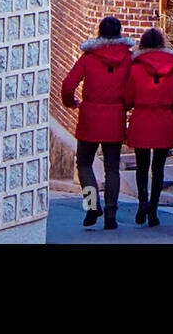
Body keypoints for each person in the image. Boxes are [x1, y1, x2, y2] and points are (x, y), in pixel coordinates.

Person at [60, 16, 135, 229]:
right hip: (115, 117)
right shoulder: (128, 59)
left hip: (90, 117)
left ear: (99, 32)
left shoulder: (88, 57)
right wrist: (125, 105)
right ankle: (111, 214)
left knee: (84, 164)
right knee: (112, 168)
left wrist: (71, 103)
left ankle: (92, 205)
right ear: (120, 32)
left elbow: (68, 85)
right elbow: (133, 88)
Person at [123, 27, 173, 227]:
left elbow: (128, 99)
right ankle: (153, 208)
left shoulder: (135, 68)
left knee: (141, 166)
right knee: (158, 168)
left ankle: (142, 200)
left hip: (142, 118)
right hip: (164, 121)